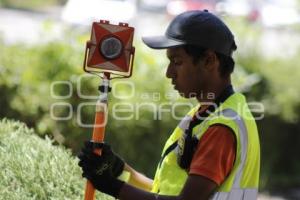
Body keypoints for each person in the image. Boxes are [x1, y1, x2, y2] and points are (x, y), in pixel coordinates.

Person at [78, 10, 260, 200]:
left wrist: (114, 187)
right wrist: (120, 169)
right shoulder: (205, 114)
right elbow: (166, 191)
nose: (169, 72)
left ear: (209, 60)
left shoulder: (221, 127)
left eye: (177, 62)